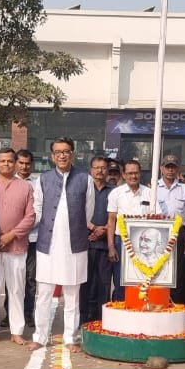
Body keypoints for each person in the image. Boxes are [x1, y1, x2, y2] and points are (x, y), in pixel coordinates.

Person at [29, 137, 95, 352]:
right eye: (58, 152)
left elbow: (88, 212)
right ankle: (40, 336)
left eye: (66, 151)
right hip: (47, 244)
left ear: (72, 154)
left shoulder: (85, 179)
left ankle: (70, 337)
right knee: (43, 294)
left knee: (72, 295)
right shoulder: (43, 179)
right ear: (52, 156)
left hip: (75, 245)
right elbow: (38, 209)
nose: (62, 155)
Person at [0, 149, 35, 344]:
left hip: (16, 246)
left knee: (16, 290)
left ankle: (16, 331)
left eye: (10, 161)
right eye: (3, 161)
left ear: (15, 163)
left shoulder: (25, 187)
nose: (6, 164)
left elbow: (30, 216)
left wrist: (11, 235)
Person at [106, 159, 156, 301]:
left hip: (144, 243)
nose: (133, 176)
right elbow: (111, 220)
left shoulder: (150, 193)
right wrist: (111, 247)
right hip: (122, 242)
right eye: (129, 173)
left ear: (140, 174)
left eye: (136, 173)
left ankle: (138, 308)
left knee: (142, 279)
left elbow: (157, 217)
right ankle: (120, 308)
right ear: (123, 174)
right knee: (120, 279)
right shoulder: (116, 193)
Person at [156, 154, 185, 306]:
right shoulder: (154, 187)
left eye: (173, 167)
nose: (170, 170)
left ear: (177, 169)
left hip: (179, 232)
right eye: (167, 167)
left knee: (177, 270)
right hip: (160, 233)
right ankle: (159, 301)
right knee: (159, 268)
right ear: (161, 168)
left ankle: (174, 304)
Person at [80, 156, 113, 325]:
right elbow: (77, 212)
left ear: (107, 170)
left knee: (103, 283)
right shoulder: (84, 189)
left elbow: (116, 216)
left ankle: (102, 320)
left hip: (105, 245)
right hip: (85, 243)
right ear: (90, 169)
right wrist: (93, 228)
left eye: (103, 168)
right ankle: (84, 320)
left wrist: (104, 230)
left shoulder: (114, 191)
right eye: (96, 167)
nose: (100, 171)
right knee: (85, 284)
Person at [16, 149, 40, 321]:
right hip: (13, 240)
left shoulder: (38, 184)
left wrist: (24, 228)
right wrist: (15, 231)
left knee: (31, 278)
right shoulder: (10, 182)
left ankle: (28, 313)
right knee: (14, 278)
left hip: (32, 238)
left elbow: (39, 211)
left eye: (27, 163)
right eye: (21, 163)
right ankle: (11, 313)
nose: (24, 166)